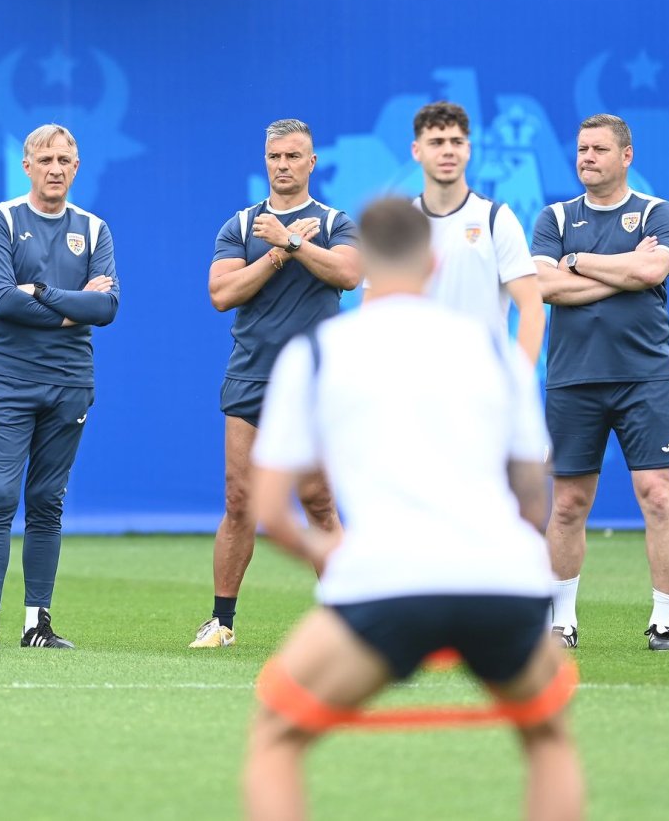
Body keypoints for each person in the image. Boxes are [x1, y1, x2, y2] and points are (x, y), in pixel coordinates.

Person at [244, 199, 582, 821]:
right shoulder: (494, 350)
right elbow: (534, 499)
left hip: (385, 578)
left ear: (367, 265)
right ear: (435, 262)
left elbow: (271, 510)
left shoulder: (317, 352)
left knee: (276, 735)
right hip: (501, 577)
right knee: (548, 736)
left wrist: (331, 552)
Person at [192, 119, 362, 649]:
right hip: (250, 375)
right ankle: (221, 622)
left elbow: (349, 275)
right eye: (275, 156)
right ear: (265, 161)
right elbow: (222, 294)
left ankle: (347, 619)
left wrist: (291, 240)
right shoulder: (243, 225)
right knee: (239, 499)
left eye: (293, 156)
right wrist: (276, 253)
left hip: (313, 383)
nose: (283, 165)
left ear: (312, 162)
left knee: (319, 501)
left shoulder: (334, 222)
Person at [0, 124, 119, 651]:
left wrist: (43, 292)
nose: (55, 168)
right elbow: (0, 299)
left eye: (64, 160)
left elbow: (106, 307)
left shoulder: (93, 228)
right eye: (45, 159)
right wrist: (73, 309)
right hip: (7, 379)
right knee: (1, 495)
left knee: (47, 500)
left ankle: (37, 624)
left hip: (69, 381)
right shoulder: (1, 220)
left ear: (77, 167)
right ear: (26, 165)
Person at [531, 114, 669, 651]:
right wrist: (621, 273)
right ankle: (562, 622)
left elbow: (652, 273)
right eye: (581, 149)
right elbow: (544, 287)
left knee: (657, 494)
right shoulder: (554, 216)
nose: (587, 158)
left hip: (645, 376)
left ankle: (663, 621)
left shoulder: (656, 211)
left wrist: (577, 262)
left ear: (626, 155)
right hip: (573, 380)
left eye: (598, 149)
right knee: (569, 503)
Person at [407, 100, 545, 363]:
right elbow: (374, 311)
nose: (448, 151)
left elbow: (531, 308)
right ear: (417, 150)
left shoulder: (496, 219)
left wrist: (519, 378)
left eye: (456, 142)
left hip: (484, 382)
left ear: (468, 149)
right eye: (436, 142)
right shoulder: (401, 225)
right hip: (417, 382)